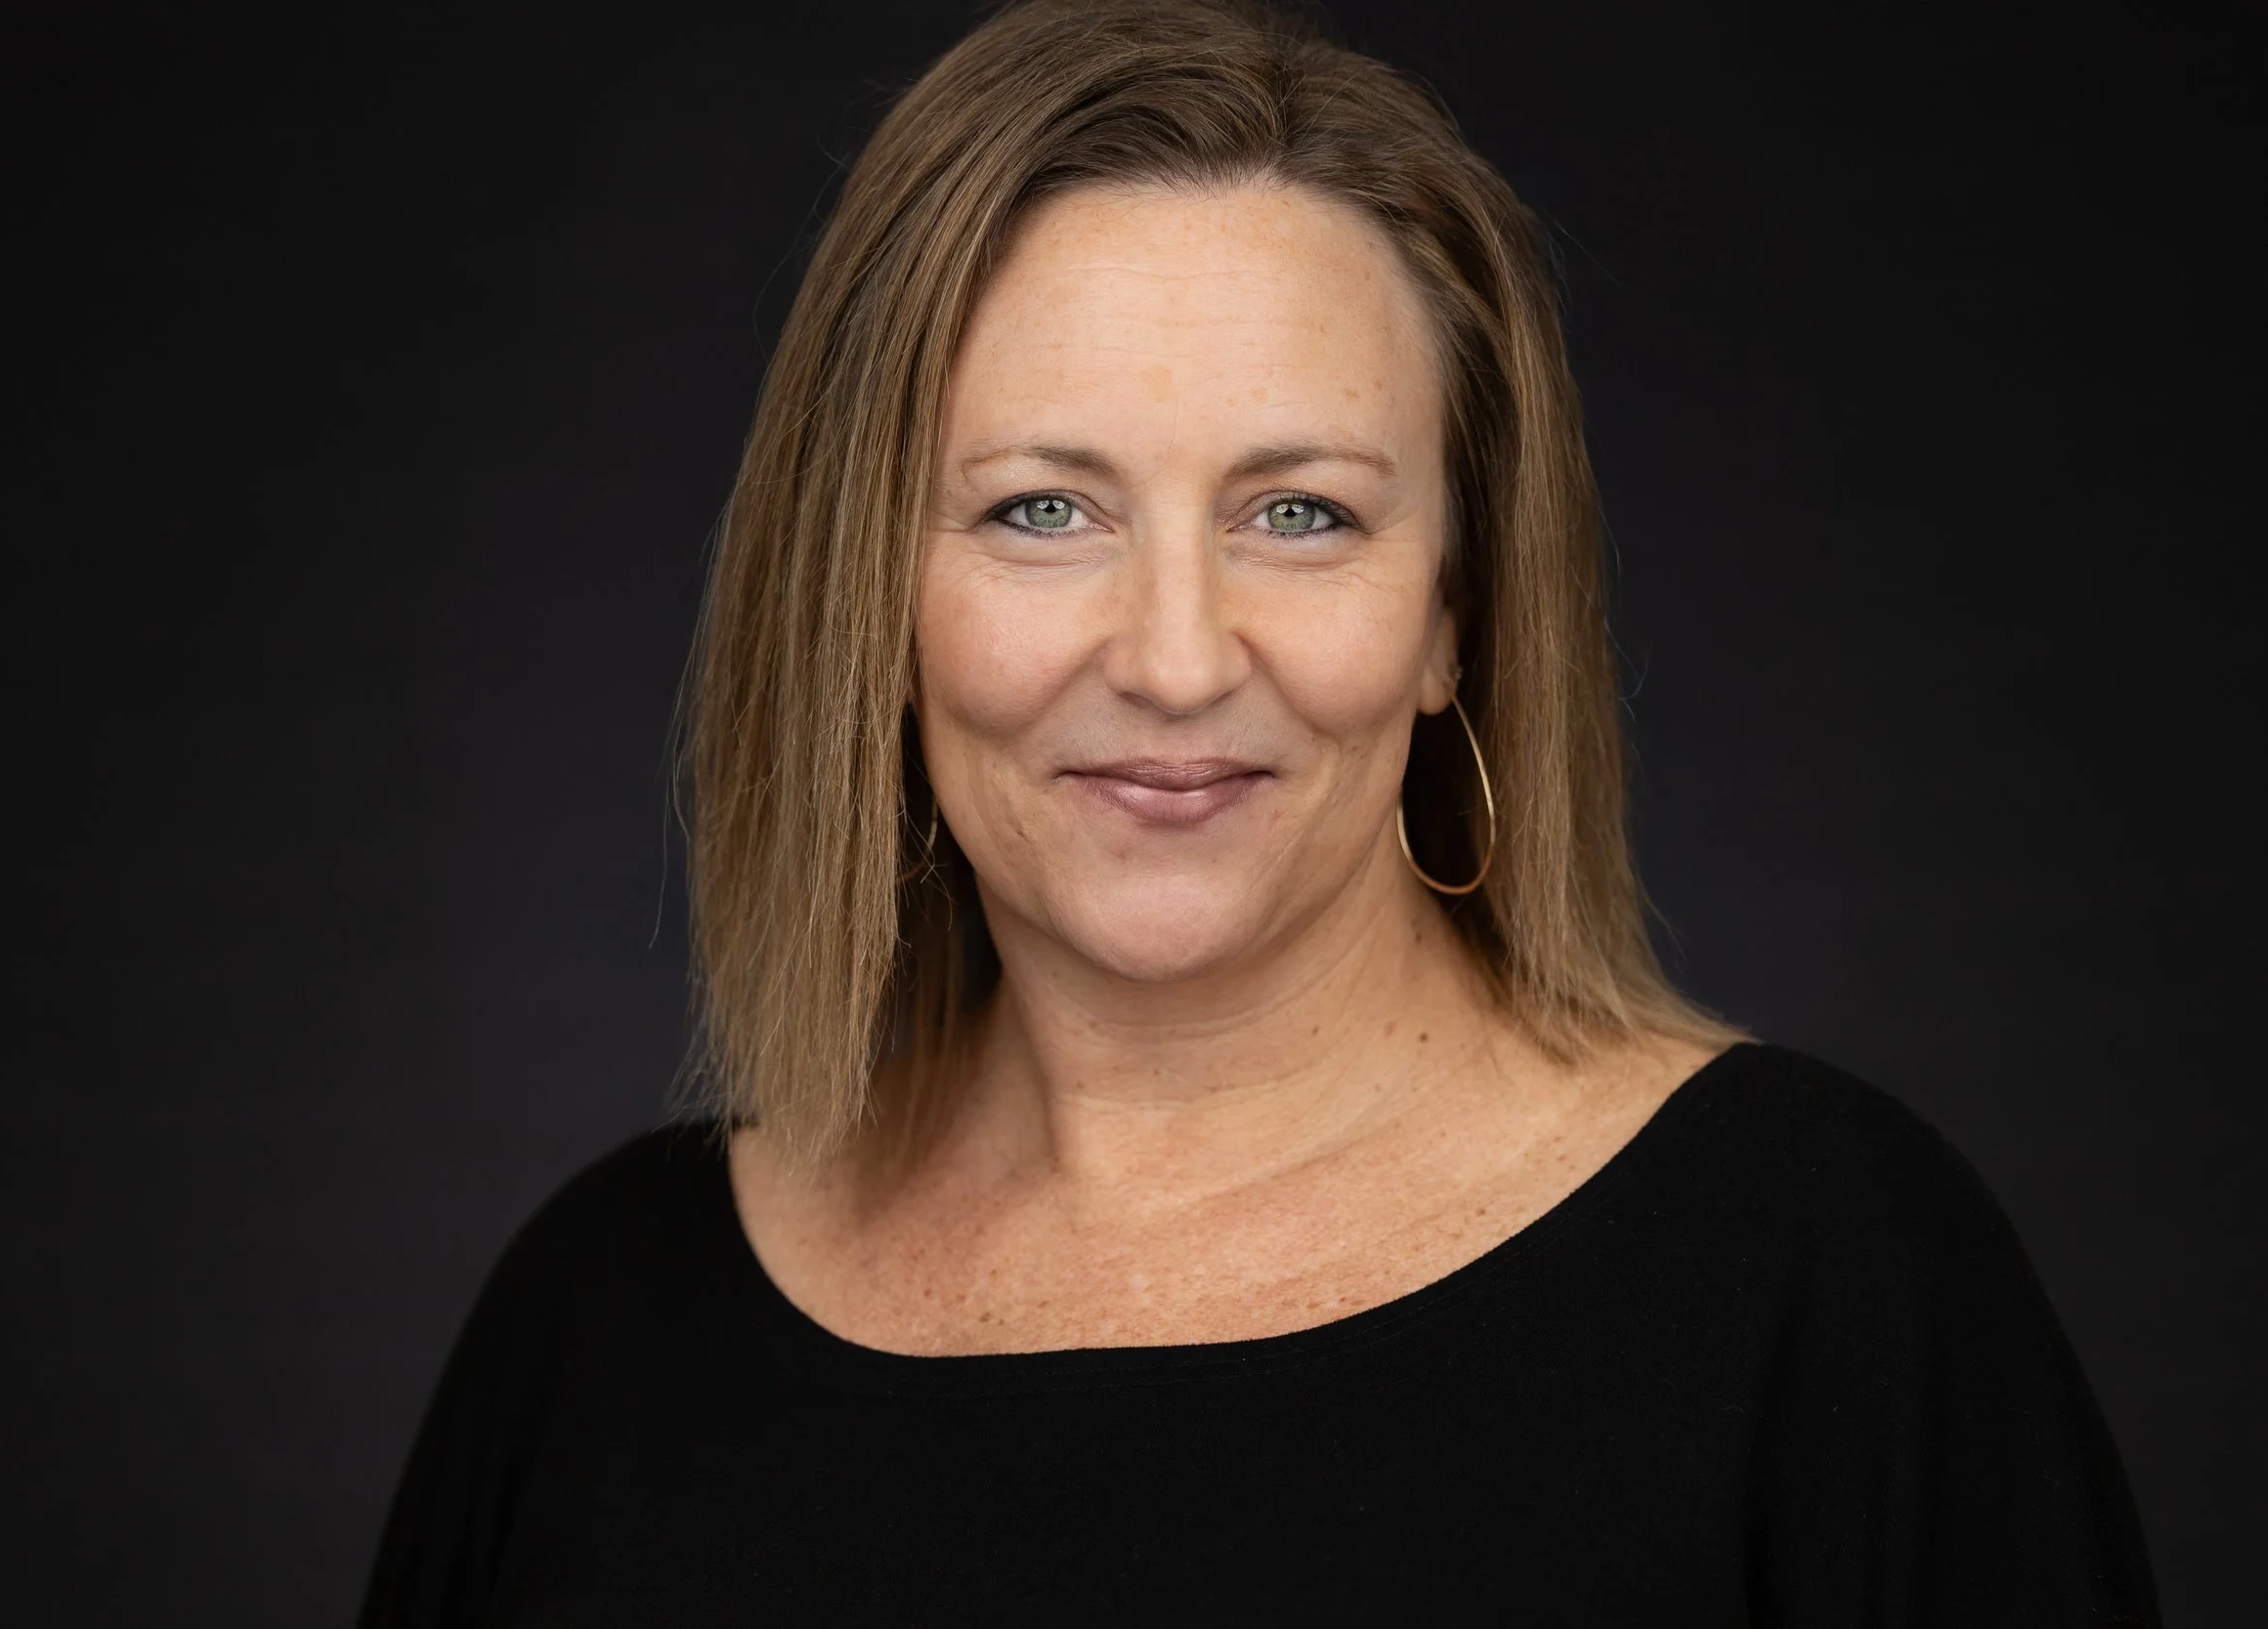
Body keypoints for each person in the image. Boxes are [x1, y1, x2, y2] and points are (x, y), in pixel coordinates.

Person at [362, 2, 2156, 1620]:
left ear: (1454, 612)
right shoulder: (599, 1326)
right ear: (869, 603)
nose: (1173, 657)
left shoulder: (1828, 1285)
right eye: (1042, 510)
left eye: (1300, 514)